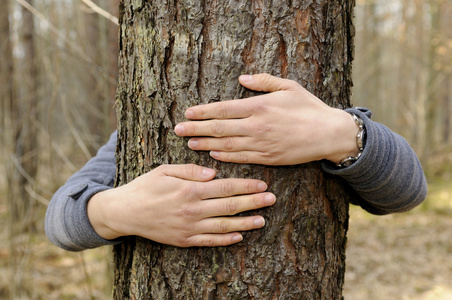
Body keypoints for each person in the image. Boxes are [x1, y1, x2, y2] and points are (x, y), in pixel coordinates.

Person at [45, 74, 427, 251]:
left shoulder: (319, 114)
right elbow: (58, 221)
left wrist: (342, 134)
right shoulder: (143, 133)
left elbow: (407, 193)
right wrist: (116, 211)